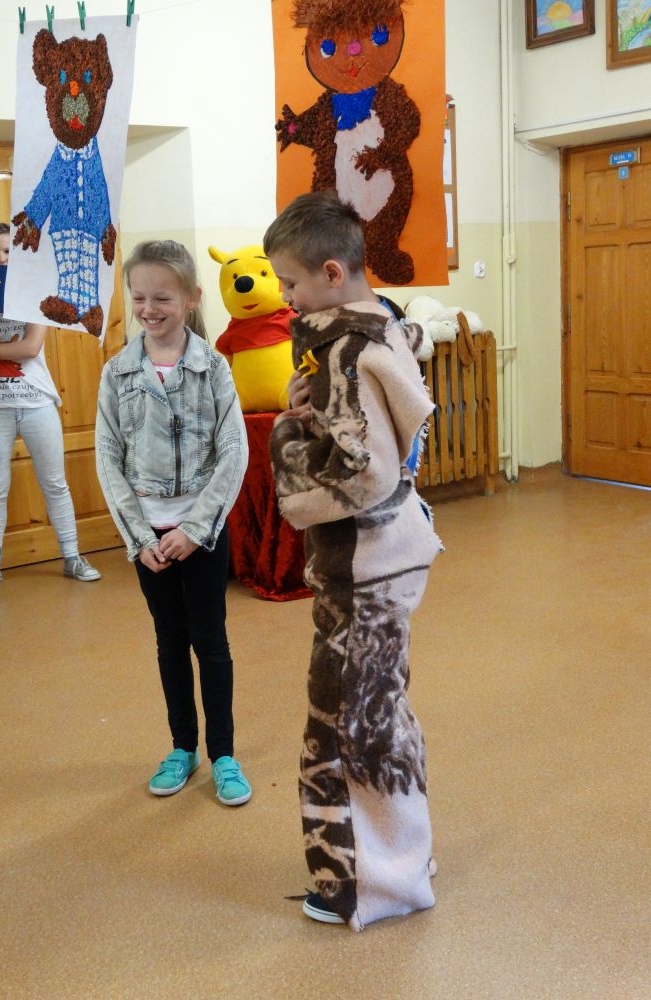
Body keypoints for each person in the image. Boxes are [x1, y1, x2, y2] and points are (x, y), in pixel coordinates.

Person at [264, 191, 443, 931]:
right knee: (379, 708)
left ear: (332, 273)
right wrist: (311, 407)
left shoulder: (343, 348)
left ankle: (370, 884)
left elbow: (360, 475)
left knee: (347, 724)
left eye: (291, 282)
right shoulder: (381, 323)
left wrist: (286, 436)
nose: (285, 295)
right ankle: (401, 857)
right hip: (392, 553)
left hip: (366, 560)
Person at [95, 240, 252, 807]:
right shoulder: (118, 372)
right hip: (149, 539)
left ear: (190, 298)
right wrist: (141, 538)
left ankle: (223, 754)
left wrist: (197, 529)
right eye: (138, 297)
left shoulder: (213, 368)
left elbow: (233, 451)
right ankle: (182, 747)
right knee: (169, 641)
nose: (148, 308)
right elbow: (107, 457)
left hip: (201, 532)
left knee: (211, 640)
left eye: (162, 297)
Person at [0, 222, 101, 592]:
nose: (1, 258)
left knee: (55, 483)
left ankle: (72, 556)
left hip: (37, 401)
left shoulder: (35, 292)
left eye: (8, 251)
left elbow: (29, 348)